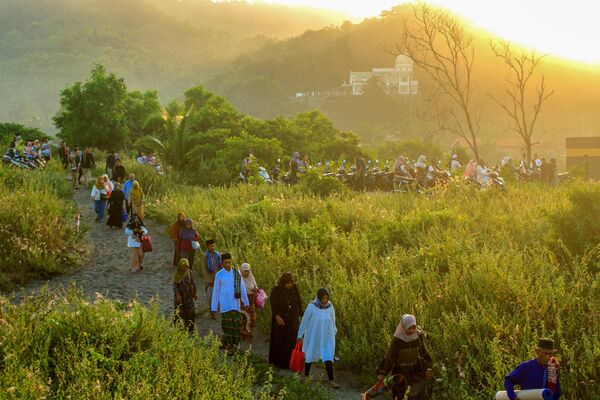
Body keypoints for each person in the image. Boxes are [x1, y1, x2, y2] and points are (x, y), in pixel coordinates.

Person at [376, 314, 433, 400]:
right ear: (404, 327)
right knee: (400, 395)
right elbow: (389, 357)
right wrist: (382, 373)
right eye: (410, 328)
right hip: (401, 372)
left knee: (415, 394)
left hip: (415, 370)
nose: (412, 330)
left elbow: (424, 352)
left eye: (414, 327)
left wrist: (429, 367)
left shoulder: (418, 336)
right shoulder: (397, 340)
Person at [297, 288, 339, 389]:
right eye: (323, 298)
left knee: (328, 356)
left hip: (327, 336)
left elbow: (333, 321)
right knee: (309, 354)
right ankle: (306, 376)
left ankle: (331, 380)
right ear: (319, 297)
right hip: (313, 336)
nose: (325, 300)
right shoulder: (311, 306)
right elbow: (304, 321)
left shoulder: (330, 307)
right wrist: (300, 335)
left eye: (326, 298)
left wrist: (333, 333)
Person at [211, 253, 249, 355]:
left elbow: (242, 288)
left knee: (236, 326)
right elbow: (216, 291)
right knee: (227, 327)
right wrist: (214, 306)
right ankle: (229, 347)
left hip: (235, 304)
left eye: (229, 262)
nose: (228, 264)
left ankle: (234, 346)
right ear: (222, 263)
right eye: (226, 263)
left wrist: (246, 301)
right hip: (224, 305)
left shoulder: (237, 273)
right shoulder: (219, 275)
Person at [269, 272, 303, 369]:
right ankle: (279, 363)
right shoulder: (276, 290)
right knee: (280, 340)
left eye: (291, 283)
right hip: (280, 319)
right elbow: (273, 304)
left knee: (291, 340)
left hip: (292, 319)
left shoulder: (294, 289)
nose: (289, 285)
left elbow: (298, 303)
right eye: (287, 283)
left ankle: (291, 362)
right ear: (283, 282)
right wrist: (277, 316)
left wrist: (301, 315)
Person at [173, 258, 197, 333]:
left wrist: (195, 293)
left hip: (188, 296)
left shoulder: (189, 272)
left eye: (186, 266)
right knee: (179, 312)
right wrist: (177, 295)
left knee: (191, 312)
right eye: (183, 266)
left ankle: (190, 329)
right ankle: (179, 330)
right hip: (180, 297)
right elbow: (175, 285)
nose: (184, 268)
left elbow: (193, 283)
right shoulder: (177, 274)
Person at [240, 263, 258, 341]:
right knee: (246, 318)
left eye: (247, 271)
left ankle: (248, 332)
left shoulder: (251, 277)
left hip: (251, 301)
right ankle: (244, 334)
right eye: (245, 271)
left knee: (253, 318)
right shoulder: (239, 279)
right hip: (243, 301)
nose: (246, 273)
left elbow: (256, 286)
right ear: (241, 271)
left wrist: (255, 289)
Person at [202, 239, 221, 313]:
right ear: (207, 247)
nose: (212, 247)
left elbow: (221, 267)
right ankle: (211, 310)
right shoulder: (205, 257)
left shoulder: (218, 255)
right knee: (210, 296)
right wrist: (209, 280)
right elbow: (204, 270)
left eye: (213, 246)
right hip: (210, 280)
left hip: (218, 279)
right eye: (211, 246)